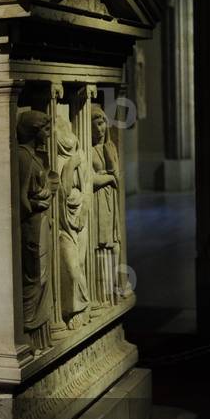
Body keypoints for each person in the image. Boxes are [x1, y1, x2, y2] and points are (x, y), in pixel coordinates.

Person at [17, 110, 54, 351]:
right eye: (45, 128)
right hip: (32, 228)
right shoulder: (23, 157)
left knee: (41, 279)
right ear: (33, 130)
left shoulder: (33, 156)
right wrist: (37, 204)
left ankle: (38, 330)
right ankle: (28, 328)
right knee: (34, 280)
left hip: (40, 225)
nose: (49, 133)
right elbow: (19, 199)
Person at [55, 118, 91, 329]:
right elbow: (64, 190)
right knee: (71, 268)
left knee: (81, 263)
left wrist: (84, 210)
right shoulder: (57, 158)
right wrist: (70, 165)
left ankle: (83, 307)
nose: (67, 136)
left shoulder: (80, 154)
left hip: (80, 217)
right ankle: (75, 308)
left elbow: (86, 186)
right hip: (63, 221)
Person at [91, 106, 121, 304]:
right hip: (98, 201)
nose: (100, 130)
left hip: (110, 200)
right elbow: (90, 180)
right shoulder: (88, 150)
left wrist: (109, 175)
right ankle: (103, 292)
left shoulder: (110, 147)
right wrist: (108, 178)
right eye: (95, 126)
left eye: (102, 124)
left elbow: (117, 178)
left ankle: (115, 288)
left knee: (115, 244)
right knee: (101, 244)